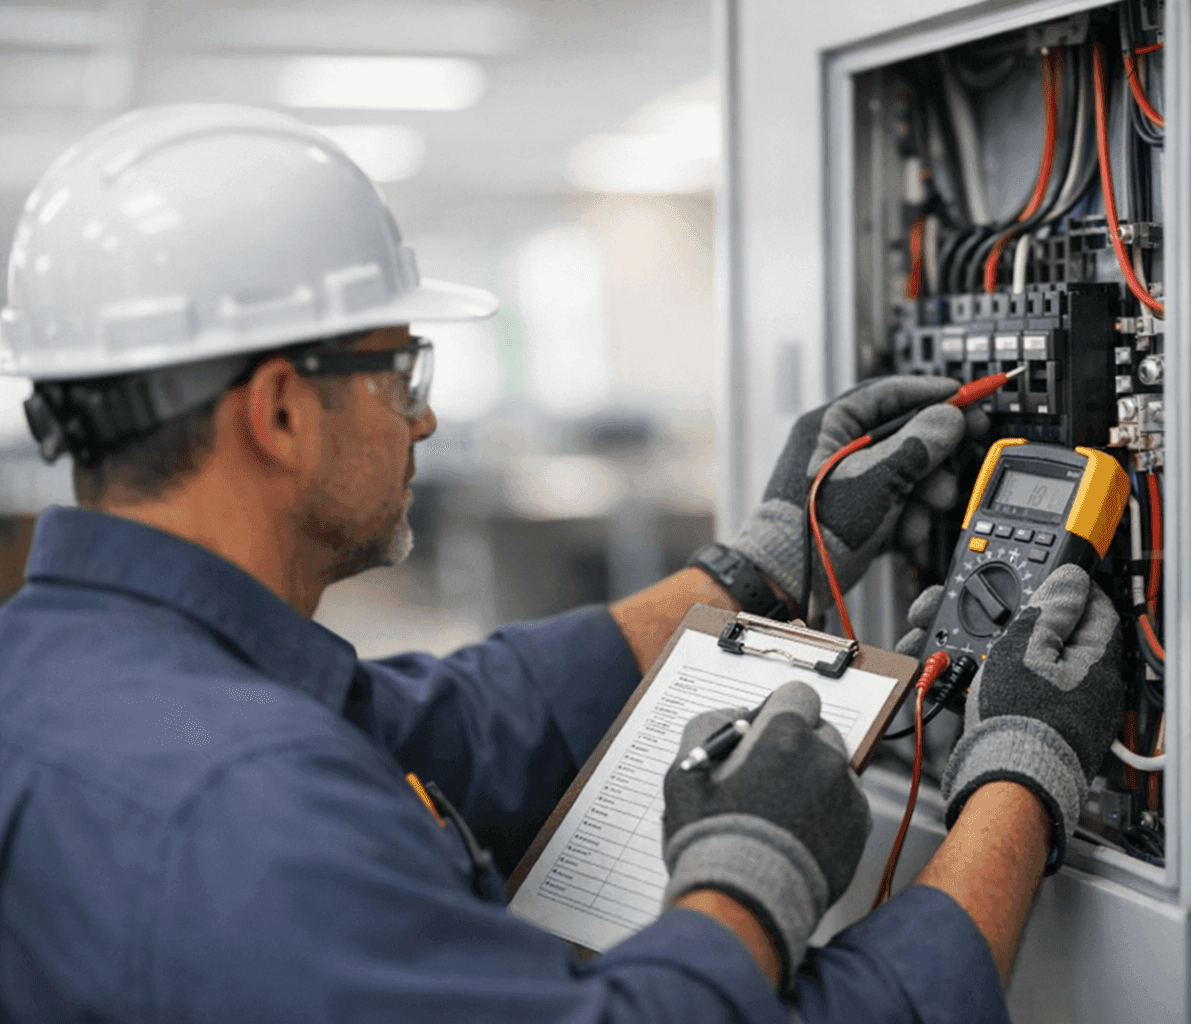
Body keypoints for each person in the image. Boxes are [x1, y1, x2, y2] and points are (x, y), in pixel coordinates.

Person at [0, 105, 1125, 1022]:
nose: (423, 422)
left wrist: (763, 560)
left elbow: (467, 720)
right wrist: (1012, 780)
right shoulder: (242, 816)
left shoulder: (82, 672)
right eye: (402, 372)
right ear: (281, 412)